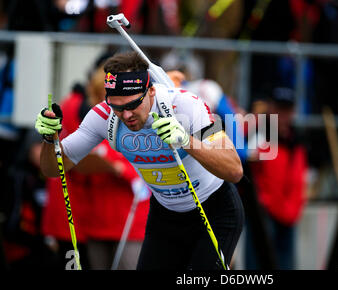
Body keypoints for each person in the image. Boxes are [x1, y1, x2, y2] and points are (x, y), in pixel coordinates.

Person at [35, 51, 244, 270]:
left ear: (151, 91)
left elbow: (234, 170)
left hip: (214, 208)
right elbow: (53, 169)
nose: (126, 115)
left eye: (132, 104)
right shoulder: (103, 117)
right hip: (166, 213)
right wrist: (50, 139)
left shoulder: (186, 105)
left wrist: (185, 140)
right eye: (117, 106)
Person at [41, 53, 150, 270]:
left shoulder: (146, 115)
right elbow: (56, 162)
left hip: (130, 217)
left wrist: (123, 170)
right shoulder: (92, 115)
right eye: (111, 100)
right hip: (93, 216)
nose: (121, 110)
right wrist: (48, 138)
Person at [246, 87, 308, 270]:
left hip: (289, 216)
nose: (283, 115)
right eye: (279, 109)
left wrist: (293, 208)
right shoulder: (257, 135)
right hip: (264, 215)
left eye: (287, 110)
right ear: (270, 108)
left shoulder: (297, 141)